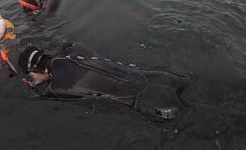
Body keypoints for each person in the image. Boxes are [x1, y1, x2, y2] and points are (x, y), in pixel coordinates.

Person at [18, 43, 190, 119]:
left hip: (156, 106)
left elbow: (37, 91)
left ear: (35, 71)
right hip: (163, 77)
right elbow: (66, 45)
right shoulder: (76, 50)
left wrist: (31, 83)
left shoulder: (54, 89)